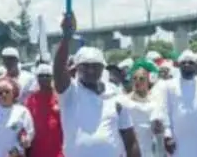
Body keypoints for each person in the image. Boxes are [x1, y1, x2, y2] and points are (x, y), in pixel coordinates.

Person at [53, 13, 141, 157]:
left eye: (95, 66)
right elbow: (58, 70)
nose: (90, 70)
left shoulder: (116, 95)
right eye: (85, 66)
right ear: (76, 69)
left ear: (103, 68)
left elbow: (130, 141)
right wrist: (66, 37)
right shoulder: (70, 92)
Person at [152, 49, 197, 157]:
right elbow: (164, 111)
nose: (187, 65)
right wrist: (168, 135)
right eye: (183, 63)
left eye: (190, 62)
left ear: (195, 65)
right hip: (176, 141)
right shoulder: (169, 86)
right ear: (178, 65)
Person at [121, 59, 159, 157]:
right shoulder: (124, 101)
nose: (137, 81)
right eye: (134, 78)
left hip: (149, 150)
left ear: (149, 80)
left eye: (142, 78)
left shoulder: (155, 101)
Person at [0, 77, 34, 157]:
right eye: (0, 93)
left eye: (7, 91)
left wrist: (20, 147)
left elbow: (29, 133)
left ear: (13, 93)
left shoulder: (22, 111)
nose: (4, 94)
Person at [24, 64, 62, 157]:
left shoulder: (60, 97)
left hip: (58, 150)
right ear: (37, 78)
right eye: (41, 76)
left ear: (52, 77)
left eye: (47, 75)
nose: (44, 78)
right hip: (37, 150)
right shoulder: (30, 99)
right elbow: (24, 122)